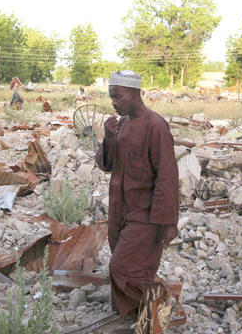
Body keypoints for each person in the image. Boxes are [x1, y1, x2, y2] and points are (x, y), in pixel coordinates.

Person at [95, 70, 179, 328]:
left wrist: (167, 222)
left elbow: (167, 177)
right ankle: (137, 317)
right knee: (127, 266)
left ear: (134, 94)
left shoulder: (155, 126)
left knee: (122, 268)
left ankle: (161, 306)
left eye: (118, 97)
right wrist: (109, 138)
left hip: (147, 213)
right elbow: (106, 164)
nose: (114, 103)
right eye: (111, 97)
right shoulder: (122, 125)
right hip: (122, 210)